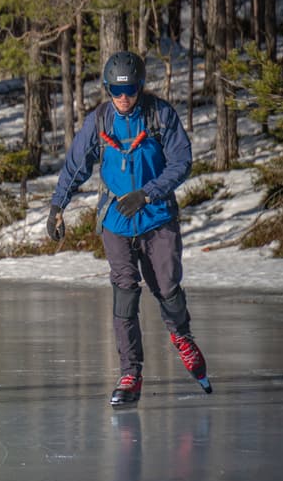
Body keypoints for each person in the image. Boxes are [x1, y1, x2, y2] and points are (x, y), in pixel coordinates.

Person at [47, 51, 212, 407]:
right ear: (107, 89)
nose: (124, 98)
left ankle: (182, 336)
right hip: (116, 221)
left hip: (157, 217)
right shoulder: (100, 121)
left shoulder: (159, 114)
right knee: (125, 290)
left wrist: (148, 193)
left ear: (141, 87)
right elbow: (77, 164)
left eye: (131, 89)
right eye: (116, 91)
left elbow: (182, 162)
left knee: (166, 286)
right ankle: (130, 373)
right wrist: (57, 206)